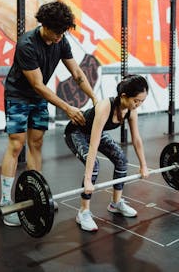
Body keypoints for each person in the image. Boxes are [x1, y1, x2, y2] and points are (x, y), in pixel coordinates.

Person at [0, 0, 98, 227]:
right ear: (44, 25)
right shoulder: (27, 45)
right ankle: (6, 201)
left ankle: (34, 194)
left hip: (38, 98)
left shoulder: (60, 40)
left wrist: (94, 97)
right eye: (56, 32)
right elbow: (38, 85)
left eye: (63, 33)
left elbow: (77, 73)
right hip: (18, 95)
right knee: (16, 144)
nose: (60, 37)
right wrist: (68, 108)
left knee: (37, 143)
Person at [64, 74, 149, 232]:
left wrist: (143, 165)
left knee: (121, 160)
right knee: (95, 164)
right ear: (124, 96)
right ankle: (83, 212)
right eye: (136, 100)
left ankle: (116, 203)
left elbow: (136, 139)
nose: (138, 104)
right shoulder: (105, 107)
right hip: (76, 132)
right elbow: (94, 143)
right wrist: (88, 180)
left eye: (142, 101)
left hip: (94, 132)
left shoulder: (131, 111)